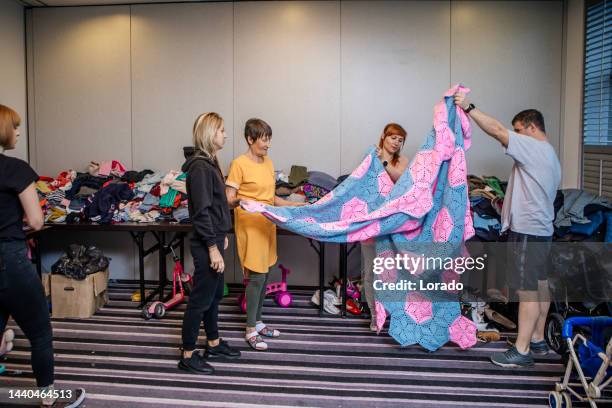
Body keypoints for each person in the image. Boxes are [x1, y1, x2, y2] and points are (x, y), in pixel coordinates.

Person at [453, 93, 561, 368]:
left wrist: (469, 108)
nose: (515, 136)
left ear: (532, 128)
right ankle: (537, 339)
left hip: (528, 232)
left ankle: (522, 350)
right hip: (541, 230)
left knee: (527, 291)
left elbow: (497, 131)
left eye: (519, 130)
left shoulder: (534, 148)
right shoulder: (550, 155)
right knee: (539, 286)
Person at [0, 104, 85, 406]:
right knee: (39, 332)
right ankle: (47, 398)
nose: (19, 131)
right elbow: (36, 221)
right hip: (8, 259)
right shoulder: (15, 169)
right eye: (16, 126)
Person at [226, 118, 305, 351]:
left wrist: (295, 206)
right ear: (250, 139)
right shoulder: (238, 164)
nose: (268, 144)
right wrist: (244, 201)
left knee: (268, 272)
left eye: (269, 139)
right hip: (250, 226)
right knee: (256, 277)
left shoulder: (268, 163)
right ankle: (250, 329)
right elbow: (229, 199)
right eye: (263, 139)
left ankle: (259, 322)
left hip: (268, 224)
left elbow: (271, 199)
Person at [179, 112, 240, 375]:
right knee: (200, 300)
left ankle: (213, 343)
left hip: (214, 238)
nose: (225, 134)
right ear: (209, 134)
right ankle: (188, 354)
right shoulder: (201, 167)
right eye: (221, 130)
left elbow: (215, 205)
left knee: (214, 296)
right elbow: (201, 212)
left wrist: (222, 234)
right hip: (206, 245)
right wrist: (213, 247)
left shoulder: (210, 162)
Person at [363, 123, 409, 331]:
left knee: (395, 273)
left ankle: (394, 313)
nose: (396, 143)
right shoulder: (369, 156)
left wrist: (383, 161)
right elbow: (360, 184)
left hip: (394, 225)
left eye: (400, 140)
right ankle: (375, 315)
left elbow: (401, 181)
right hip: (372, 223)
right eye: (393, 138)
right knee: (371, 272)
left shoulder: (402, 161)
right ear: (384, 136)